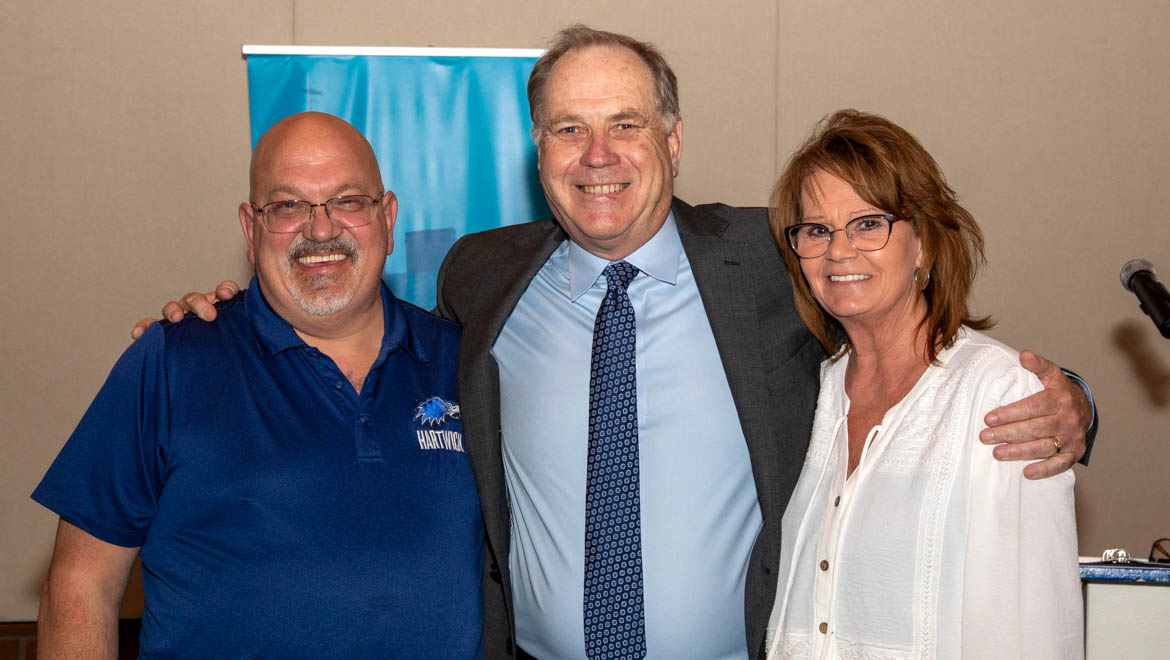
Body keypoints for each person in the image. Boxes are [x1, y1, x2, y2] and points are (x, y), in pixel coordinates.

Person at [134, 27, 1094, 660]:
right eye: (568, 129)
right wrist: (227, 313)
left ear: (673, 140)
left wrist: (1073, 402)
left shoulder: (773, 260)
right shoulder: (481, 278)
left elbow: (902, 333)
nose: (598, 157)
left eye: (626, 125)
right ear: (536, 150)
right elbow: (347, 321)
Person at [33, 112, 484, 659]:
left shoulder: (465, 362)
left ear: (387, 219)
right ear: (251, 229)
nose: (320, 230)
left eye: (347, 200)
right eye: (288, 205)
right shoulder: (172, 361)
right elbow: (81, 585)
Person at [764, 109, 1082, 659]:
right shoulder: (807, 391)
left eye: (868, 223)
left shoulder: (998, 395)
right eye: (818, 230)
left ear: (924, 244)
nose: (839, 250)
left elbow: (1033, 631)